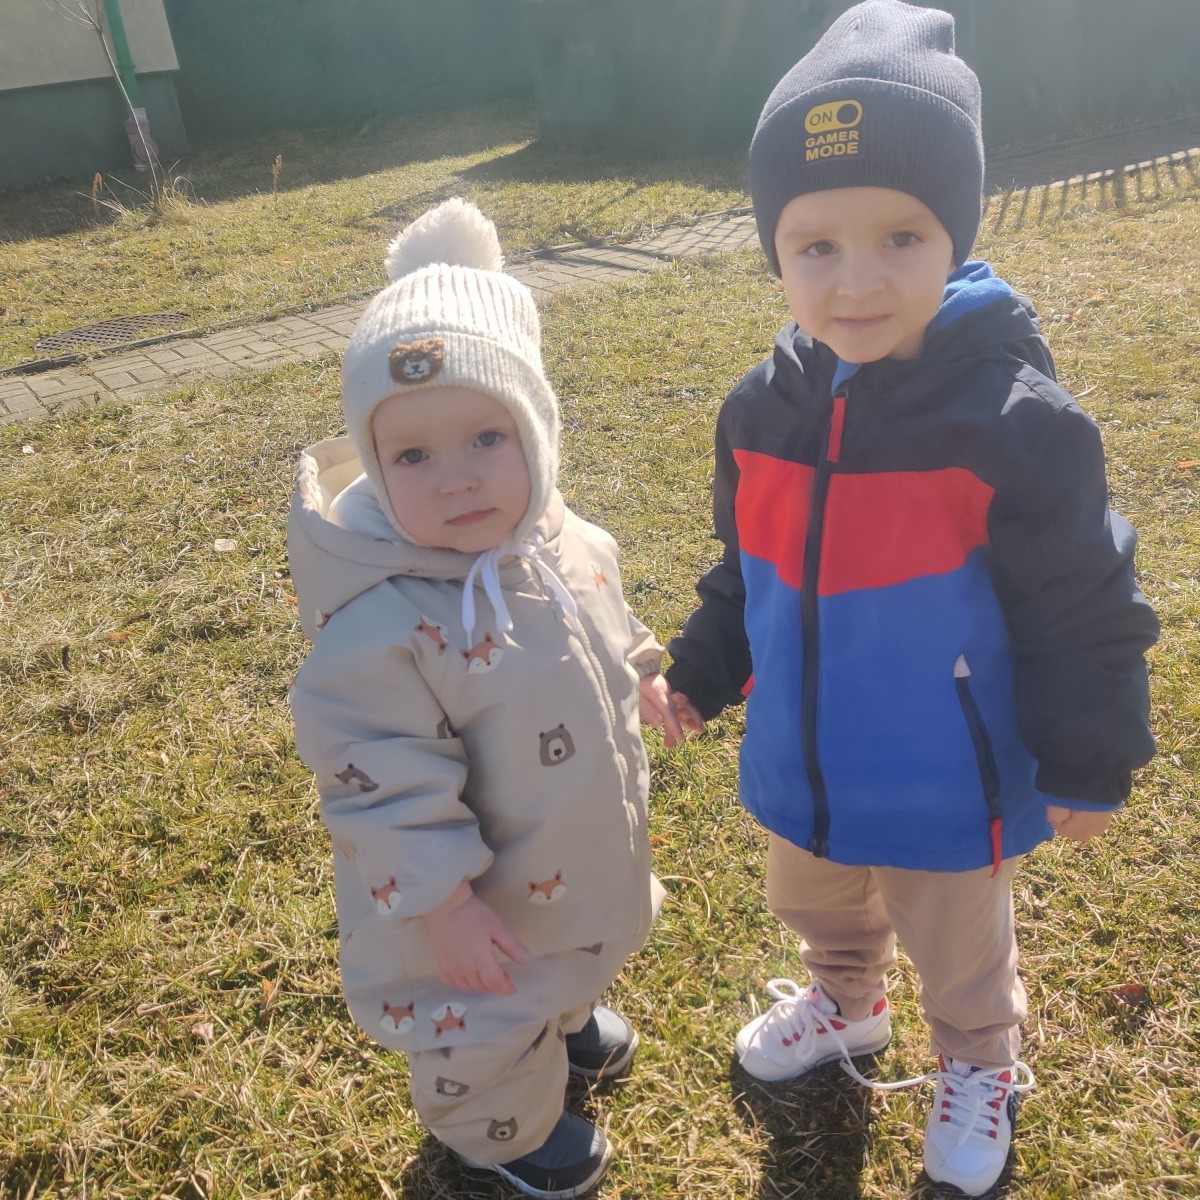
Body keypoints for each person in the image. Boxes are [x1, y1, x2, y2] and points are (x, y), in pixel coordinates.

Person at [663, 2, 1159, 1194]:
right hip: (806, 763)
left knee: (957, 945)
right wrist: (699, 670)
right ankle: (846, 1001)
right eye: (815, 246)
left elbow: (1083, 601)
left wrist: (1091, 756)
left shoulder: (1014, 422)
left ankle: (980, 1061)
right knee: (815, 898)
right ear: (775, 253)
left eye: (901, 235)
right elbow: (746, 566)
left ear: (957, 235)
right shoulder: (758, 410)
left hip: (946, 776)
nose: (857, 279)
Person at [288, 198, 682, 1199]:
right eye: (413, 456)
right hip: (468, 902)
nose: (456, 480)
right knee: (483, 1008)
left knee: (569, 940)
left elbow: (605, 610)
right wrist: (443, 907)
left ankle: (563, 1012)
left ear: (537, 432)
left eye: (486, 438)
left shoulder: (560, 539)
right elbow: (378, 785)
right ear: (375, 461)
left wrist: (642, 668)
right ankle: (500, 1129)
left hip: (567, 854)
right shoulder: (380, 623)